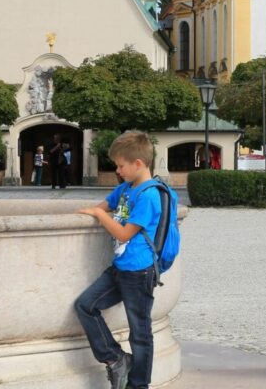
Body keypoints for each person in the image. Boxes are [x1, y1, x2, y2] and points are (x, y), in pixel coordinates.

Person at [73, 132, 165, 389]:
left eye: (121, 165)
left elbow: (124, 233)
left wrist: (99, 216)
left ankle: (138, 385)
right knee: (85, 305)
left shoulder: (148, 196)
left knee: (140, 332)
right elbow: (102, 206)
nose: (117, 169)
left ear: (138, 163)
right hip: (122, 267)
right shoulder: (125, 188)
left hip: (140, 271)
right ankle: (115, 359)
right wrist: (92, 212)